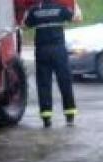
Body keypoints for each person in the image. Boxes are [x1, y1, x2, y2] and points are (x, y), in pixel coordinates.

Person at [24, 0, 81, 128]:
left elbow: (25, 25)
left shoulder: (35, 10)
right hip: (58, 50)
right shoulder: (60, 9)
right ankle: (70, 115)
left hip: (42, 51)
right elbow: (77, 18)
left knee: (44, 84)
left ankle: (46, 118)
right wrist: (75, 5)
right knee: (64, 81)